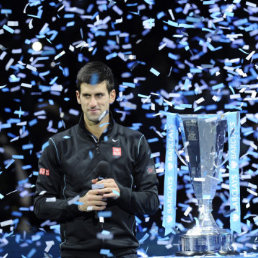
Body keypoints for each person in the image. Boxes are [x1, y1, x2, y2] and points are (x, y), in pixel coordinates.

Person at [34, 61, 160, 258]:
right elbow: (40, 205)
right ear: (78, 97)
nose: (93, 103)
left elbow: (152, 202)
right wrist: (78, 204)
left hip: (123, 252)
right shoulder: (57, 145)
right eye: (87, 96)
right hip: (75, 253)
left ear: (112, 95)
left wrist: (121, 193)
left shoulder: (135, 141)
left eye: (99, 95)